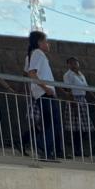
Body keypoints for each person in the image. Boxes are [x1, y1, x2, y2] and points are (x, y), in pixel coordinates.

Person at [23, 30, 61, 161]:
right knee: (55, 123)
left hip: (43, 92)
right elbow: (32, 73)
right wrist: (46, 88)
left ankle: (46, 151)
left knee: (47, 123)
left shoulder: (36, 54)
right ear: (39, 43)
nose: (48, 44)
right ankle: (40, 145)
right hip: (45, 93)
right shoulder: (38, 53)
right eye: (46, 41)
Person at [60, 57, 94, 159]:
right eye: (72, 63)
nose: (74, 65)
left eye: (76, 63)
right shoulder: (68, 75)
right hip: (74, 100)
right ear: (68, 65)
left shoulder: (81, 75)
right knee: (76, 127)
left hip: (82, 100)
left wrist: (94, 98)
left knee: (85, 127)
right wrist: (72, 101)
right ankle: (77, 149)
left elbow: (87, 88)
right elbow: (68, 89)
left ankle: (77, 148)